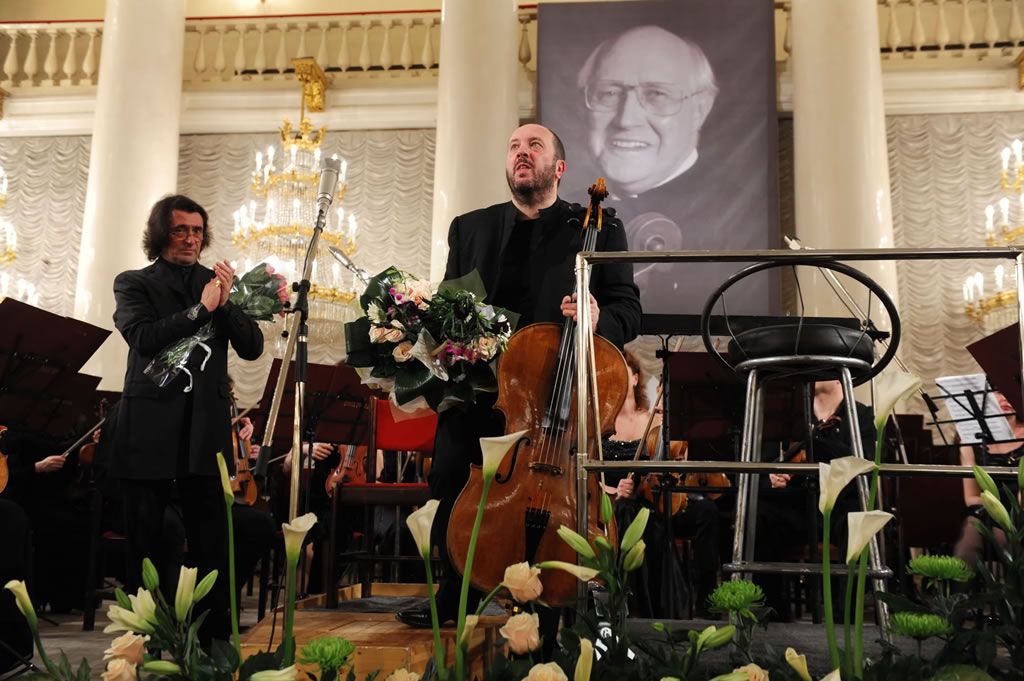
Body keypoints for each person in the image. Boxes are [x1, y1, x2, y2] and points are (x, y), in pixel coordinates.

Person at [395, 123, 642, 629]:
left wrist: (599, 317)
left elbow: (629, 311)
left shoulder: (598, 227)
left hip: (549, 392)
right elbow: (448, 307)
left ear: (559, 167)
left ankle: (548, 595)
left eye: (534, 146)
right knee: (448, 476)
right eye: (513, 147)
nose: (521, 153)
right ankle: (454, 591)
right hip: (475, 385)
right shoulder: (470, 228)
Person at [108, 194, 264, 644]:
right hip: (148, 430)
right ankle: (143, 643)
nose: (191, 239)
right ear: (161, 234)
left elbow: (252, 347)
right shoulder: (133, 282)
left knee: (213, 543)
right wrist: (202, 310)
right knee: (146, 544)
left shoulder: (216, 283)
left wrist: (225, 303)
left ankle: (212, 643)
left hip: (204, 432)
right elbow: (144, 338)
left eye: (197, 231)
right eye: (180, 230)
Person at [574, 25, 726, 308]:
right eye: (609, 93)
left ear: (700, 109)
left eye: (657, 94)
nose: (626, 119)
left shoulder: (738, 215)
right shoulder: (567, 214)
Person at [754, 379, 875, 620]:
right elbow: (765, 464)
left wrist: (817, 441)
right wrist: (773, 477)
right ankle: (773, 613)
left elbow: (864, 465)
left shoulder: (860, 415)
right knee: (760, 514)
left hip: (840, 504)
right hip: (798, 505)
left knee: (856, 521)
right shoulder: (789, 416)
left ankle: (846, 616)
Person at [953, 391, 1020, 567]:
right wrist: (998, 512)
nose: (1004, 398)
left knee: (1008, 541)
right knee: (970, 538)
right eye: (996, 393)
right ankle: (960, 584)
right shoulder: (971, 442)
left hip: (1021, 510)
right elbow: (971, 497)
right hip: (988, 509)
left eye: (1007, 391)